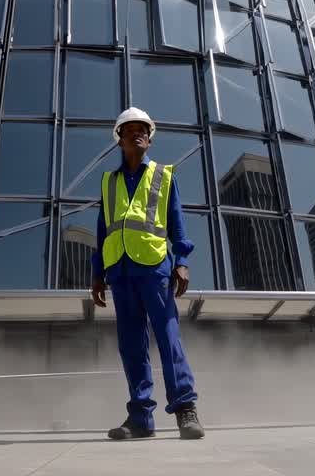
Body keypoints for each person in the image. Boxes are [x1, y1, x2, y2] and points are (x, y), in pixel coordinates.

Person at [91, 107, 204, 440]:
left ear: (149, 140)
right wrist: (97, 274)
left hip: (155, 268)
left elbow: (177, 222)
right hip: (120, 272)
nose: (137, 134)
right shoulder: (109, 182)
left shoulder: (163, 175)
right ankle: (140, 418)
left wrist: (181, 260)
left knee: (168, 337)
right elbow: (103, 231)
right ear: (120, 140)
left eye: (143, 130)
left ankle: (185, 408)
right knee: (131, 346)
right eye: (130, 130)